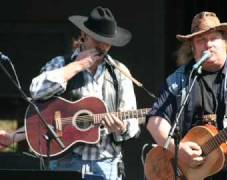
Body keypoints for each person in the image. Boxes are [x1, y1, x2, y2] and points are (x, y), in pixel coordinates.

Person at [0, 6, 139, 180]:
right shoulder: (60, 63)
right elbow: (36, 92)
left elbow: (132, 125)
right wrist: (77, 66)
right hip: (64, 165)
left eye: (107, 42)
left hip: (107, 166)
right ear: (84, 35)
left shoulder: (119, 73)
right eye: (97, 40)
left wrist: (121, 128)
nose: (103, 46)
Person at [146, 11, 227, 179]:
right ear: (192, 47)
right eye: (200, 40)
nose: (208, 44)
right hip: (193, 173)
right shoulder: (178, 79)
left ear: (226, 42)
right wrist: (177, 149)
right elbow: (155, 120)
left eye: (214, 38)